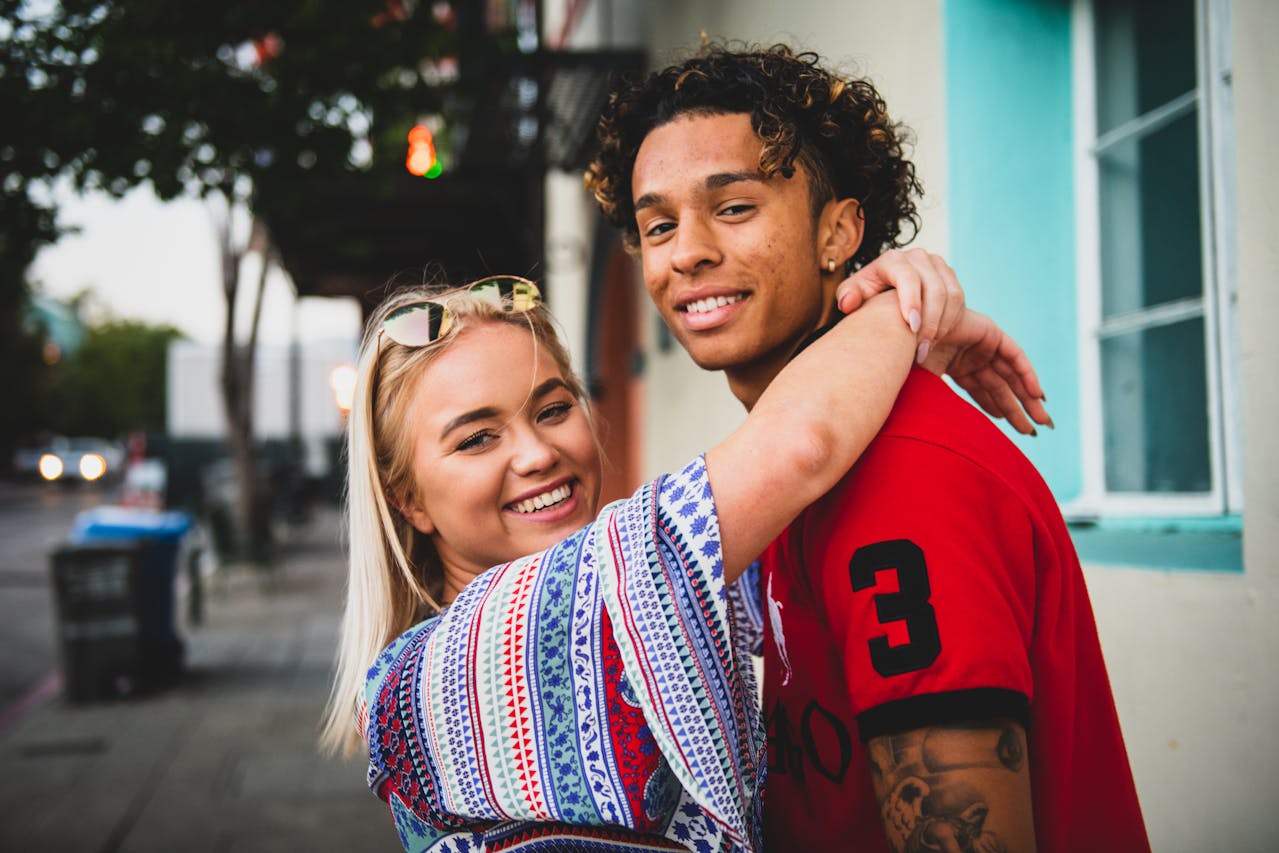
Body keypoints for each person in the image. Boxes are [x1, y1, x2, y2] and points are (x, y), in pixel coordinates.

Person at [584, 43, 1150, 853]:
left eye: (733, 207)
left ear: (839, 231)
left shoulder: (902, 473)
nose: (687, 251)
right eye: (658, 224)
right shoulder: (782, 469)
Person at [321, 273, 1046, 852]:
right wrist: (902, 310)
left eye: (551, 407)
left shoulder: (619, 590)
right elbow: (801, 447)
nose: (538, 453)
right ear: (407, 499)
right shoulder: (456, 658)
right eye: (477, 438)